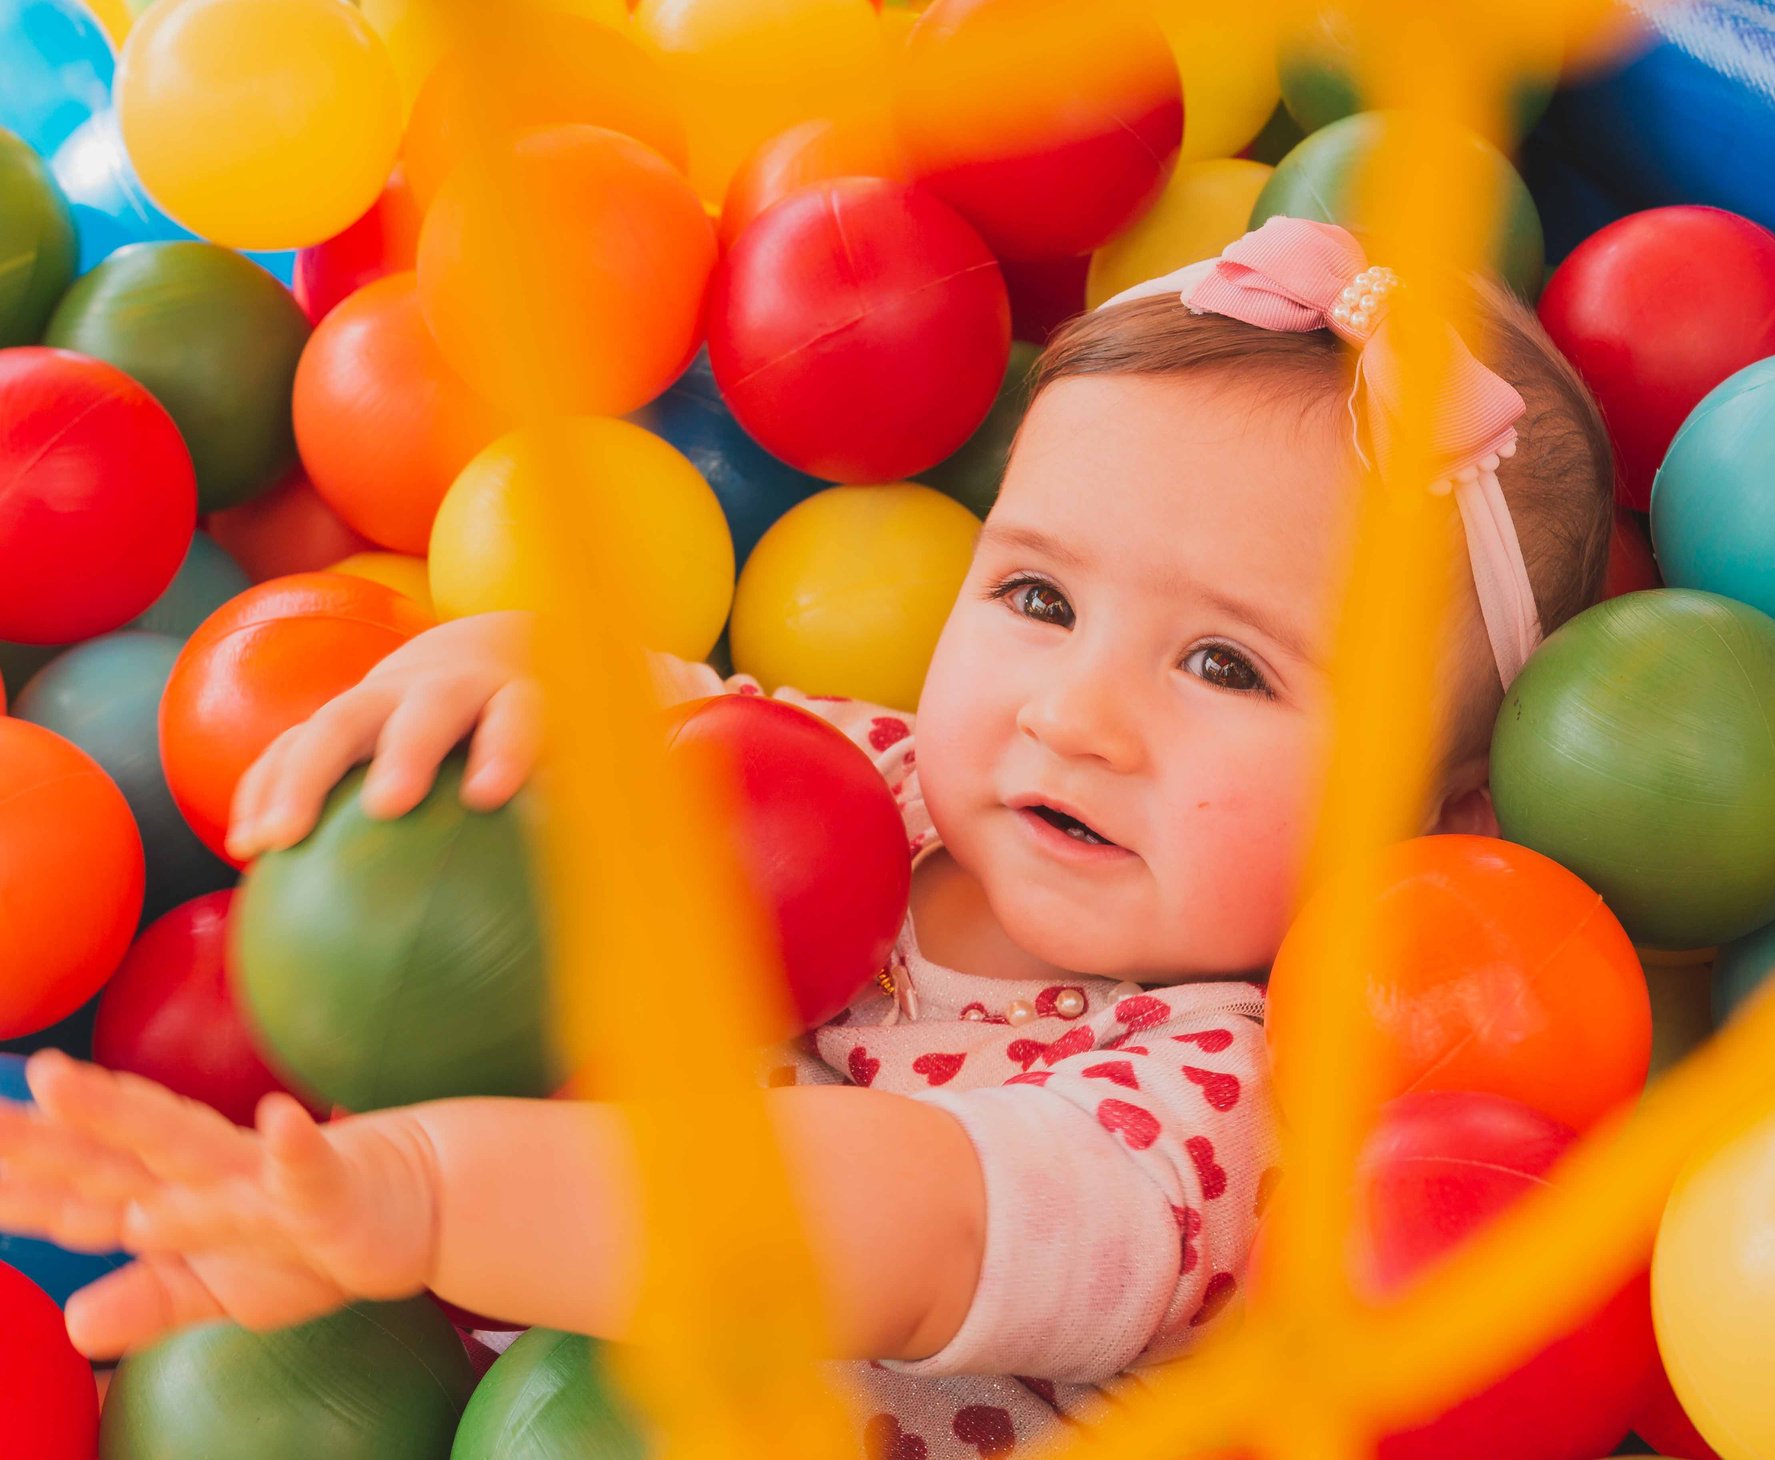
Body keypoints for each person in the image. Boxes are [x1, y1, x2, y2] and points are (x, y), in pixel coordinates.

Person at [0, 219, 1613, 1456]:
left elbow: (889, 1221)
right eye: (1037, 596)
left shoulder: (1211, 1108)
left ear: (1432, 820)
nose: (1075, 714)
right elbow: (658, 715)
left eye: (1224, 665)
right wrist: (499, 665)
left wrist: (423, 1189)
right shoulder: (885, 777)